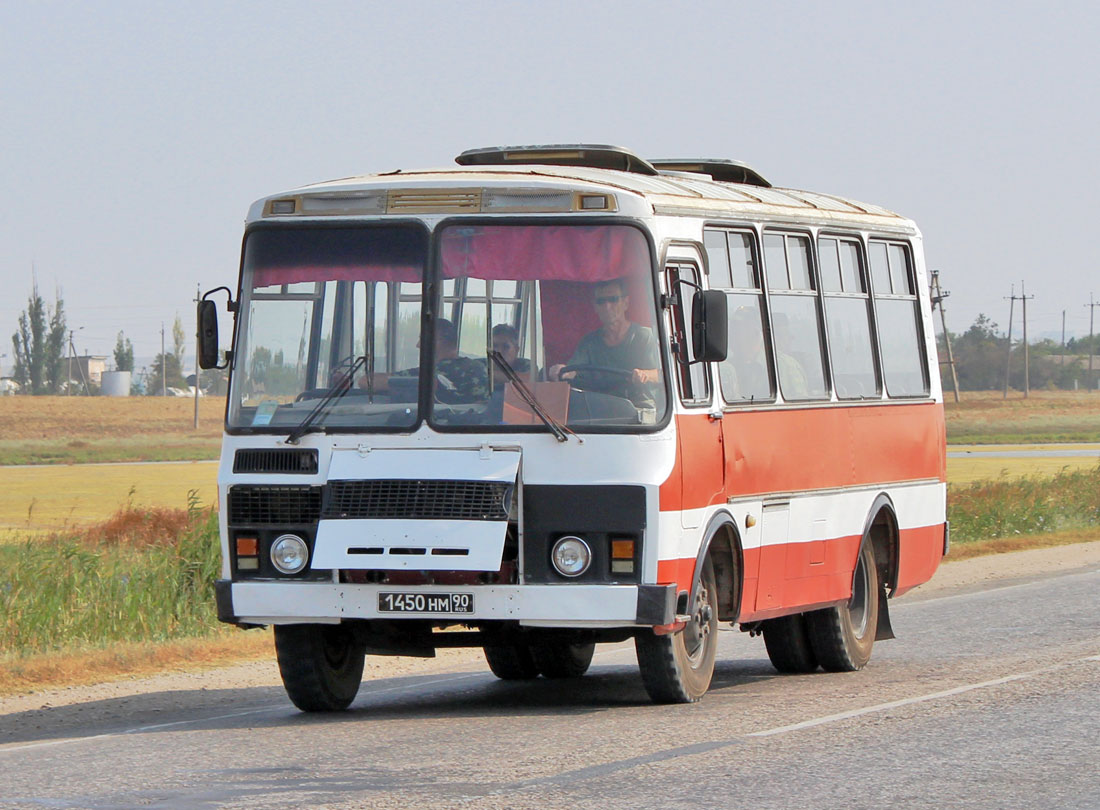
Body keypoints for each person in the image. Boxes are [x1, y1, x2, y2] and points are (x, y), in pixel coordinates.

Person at [548, 278, 660, 407]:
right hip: (601, 413)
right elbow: (574, 370)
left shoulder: (644, 336)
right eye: (601, 301)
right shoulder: (589, 342)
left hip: (639, 412)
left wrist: (645, 375)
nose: (607, 306)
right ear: (595, 307)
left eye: (613, 300)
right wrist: (561, 371)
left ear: (626, 303)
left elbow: (663, 375)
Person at [360, 318, 489, 402]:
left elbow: (367, 382)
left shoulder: (434, 374)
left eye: (422, 338)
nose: (418, 345)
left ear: (437, 341)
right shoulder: (479, 367)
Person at [488, 323, 531, 388]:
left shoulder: (526, 365)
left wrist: (489, 374)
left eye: (505, 347)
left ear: (516, 350)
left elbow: (528, 379)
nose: (499, 351)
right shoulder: (478, 367)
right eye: (494, 346)